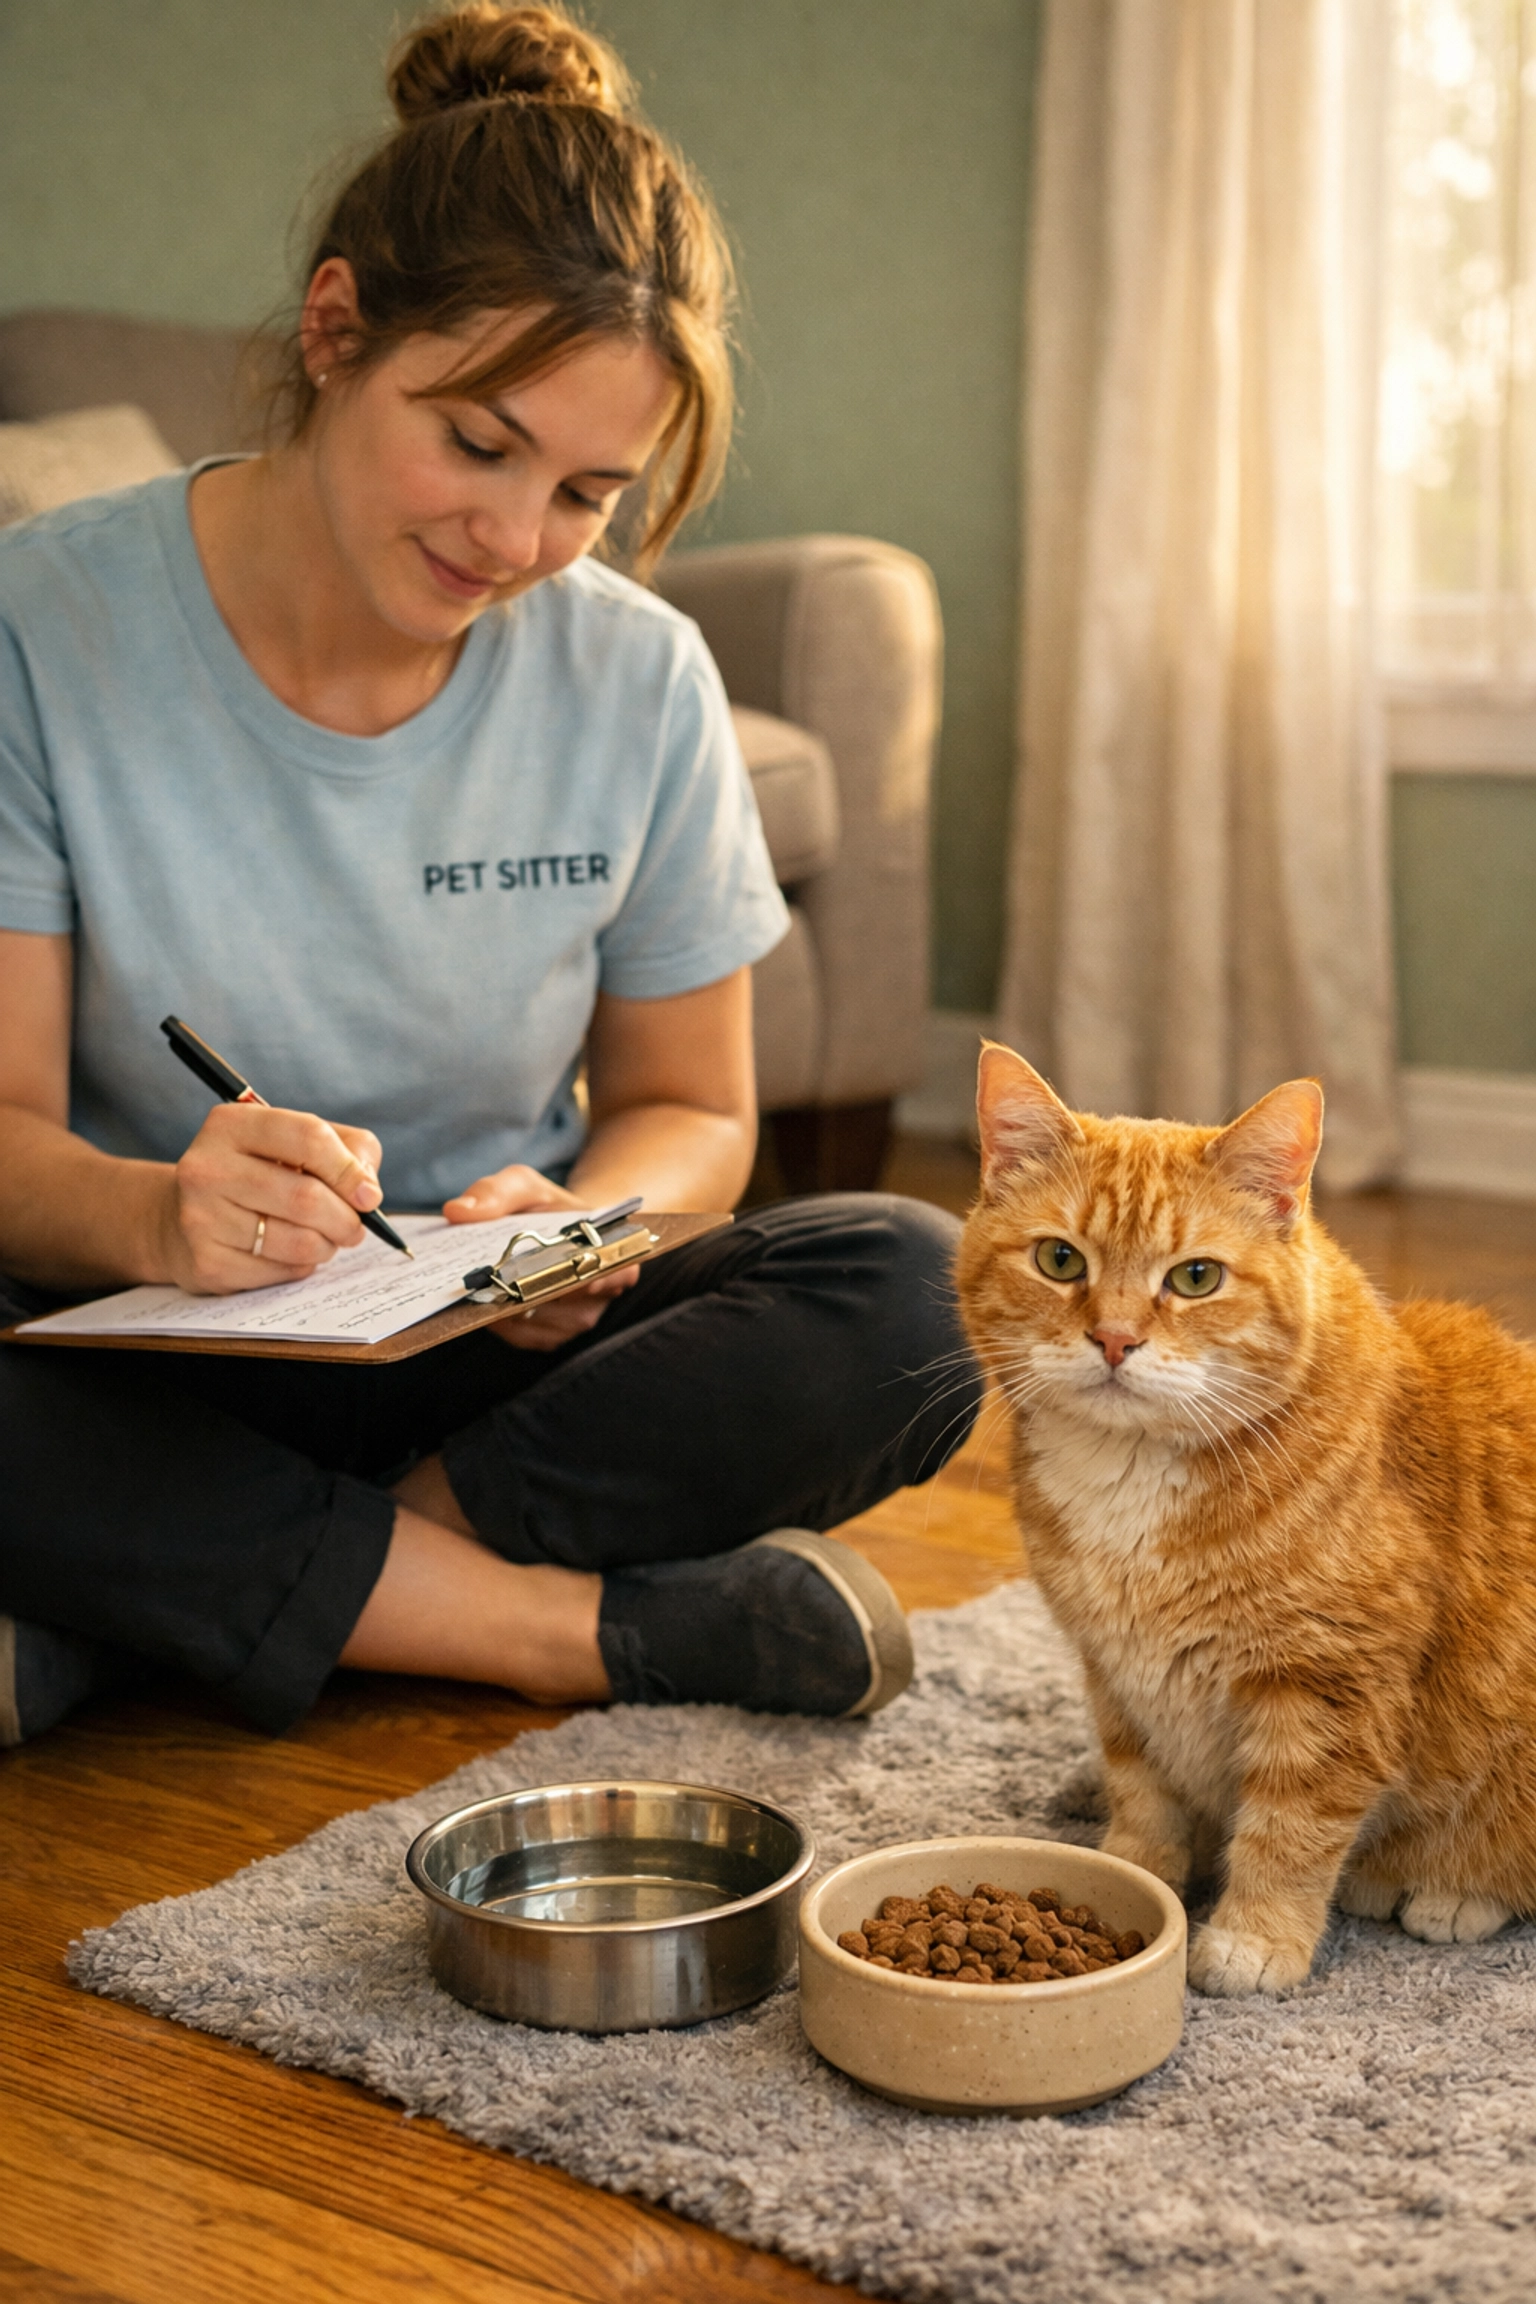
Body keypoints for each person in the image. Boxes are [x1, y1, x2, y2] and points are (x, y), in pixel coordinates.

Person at [0, 2, 980, 1749]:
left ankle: (165, 1607)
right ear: (334, 331)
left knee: (915, 1289)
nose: (514, 542)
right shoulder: (39, 624)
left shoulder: (639, 675)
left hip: (488, 1365)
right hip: (139, 1341)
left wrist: (590, 1224)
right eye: (476, 444)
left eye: (589, 492)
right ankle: (560, 1633)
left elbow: (693, 1106)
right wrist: (160, 1214)